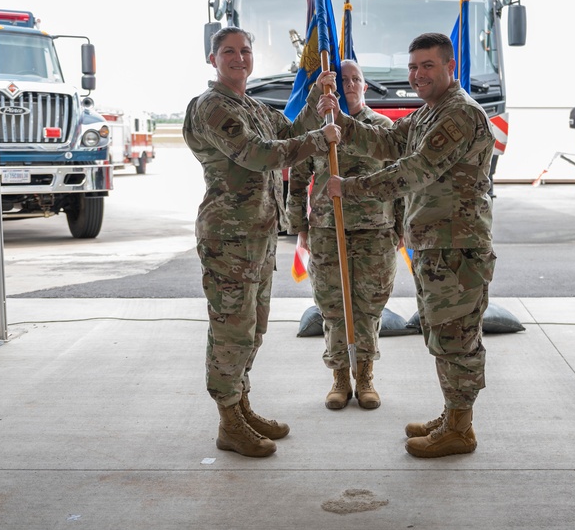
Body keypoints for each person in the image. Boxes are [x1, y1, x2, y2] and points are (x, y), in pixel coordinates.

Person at [318, 32, 496, 459]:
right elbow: (390, 142)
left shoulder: (458, 115)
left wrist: (351, 188)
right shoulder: (429, 114)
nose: (417, 75)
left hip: (457, 247)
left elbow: (414, 170)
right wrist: (339, 122)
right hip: (436, 246)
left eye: (427, 66)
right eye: (413, 67)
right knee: (441, 333)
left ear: (450, 67)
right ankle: (453, 414)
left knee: (457, 337)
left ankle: (460, 428)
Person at [183, 26, 337, 458]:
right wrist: (316, 140)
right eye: (228, 51)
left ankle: (241, 405)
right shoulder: (211, 107)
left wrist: (316, 101)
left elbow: (287, 132)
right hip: (228, 238)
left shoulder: (252, 105)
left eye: (245, 51)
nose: (239, 58)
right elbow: (258, 153)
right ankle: (228, 421)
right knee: (231, 330)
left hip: (258, 236)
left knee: (252, 329)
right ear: (213, 59)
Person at [287, 59, 403, 411]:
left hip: (375, 233)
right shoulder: (320, 130)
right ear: (331, 88)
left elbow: (400, 183)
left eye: (356, 80)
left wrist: (400, 228)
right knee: (333, 307)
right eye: (343, 80)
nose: (349, 85)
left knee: (368, 307)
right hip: (327, 231)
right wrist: (301, 228)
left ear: (365, 87)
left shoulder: (382, 128)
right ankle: (339, 377)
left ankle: (365, 376)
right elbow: (296, 178)